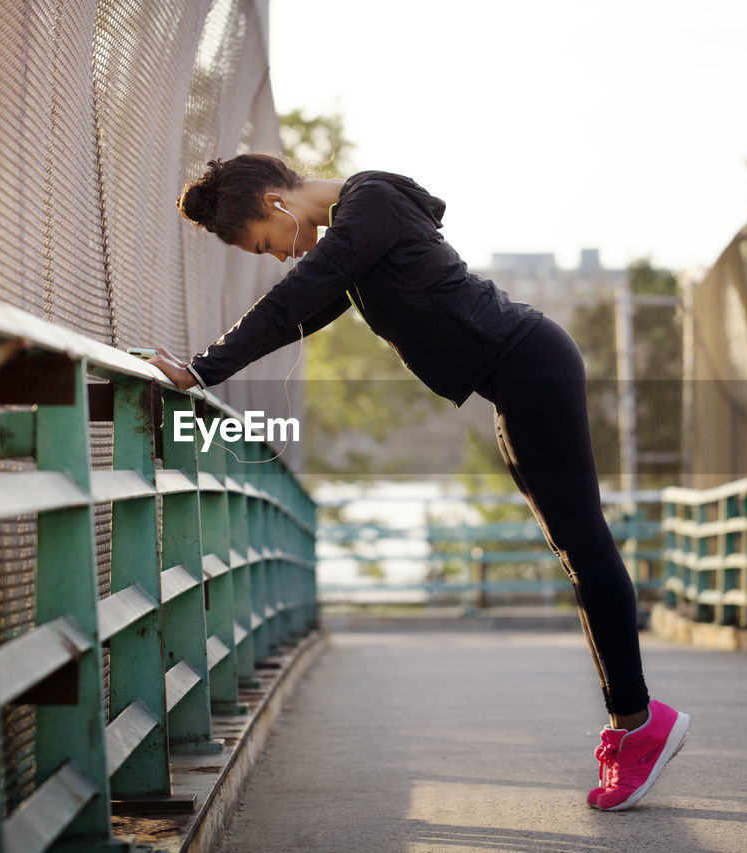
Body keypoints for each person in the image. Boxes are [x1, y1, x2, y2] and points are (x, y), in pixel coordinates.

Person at [148, 153, 689, 810]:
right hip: (516, 379)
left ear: (274, 201)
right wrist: (210, 366)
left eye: (265, 243)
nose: (275, 257)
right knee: (576, 548)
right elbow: (305, 308)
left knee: (585, 543)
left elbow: (295, 294)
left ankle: (637, 722)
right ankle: (632, 721)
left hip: (532, 365)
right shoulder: (358, 237)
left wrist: (203, 369)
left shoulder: (368, 200)